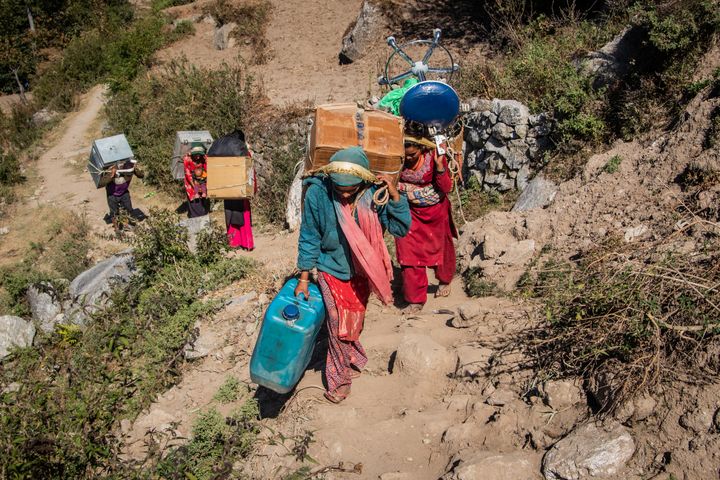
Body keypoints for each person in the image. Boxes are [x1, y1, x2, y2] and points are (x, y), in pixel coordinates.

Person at [295, 147, 410, 404]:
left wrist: (394, 195)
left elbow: (400, 228)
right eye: (340, 188)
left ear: (363, 181)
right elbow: (309, 236)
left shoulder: (372, 194)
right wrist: (304, 278)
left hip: (362, 270)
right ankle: (339, 379)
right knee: (337, 326)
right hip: (329, 268)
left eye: (350, 189)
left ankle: (353, 356)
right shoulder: (318, 193)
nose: (345, 193)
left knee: (354, 321)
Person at [394, 133, 458, 313]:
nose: (408, 158)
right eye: (404, 155)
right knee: (408, 254)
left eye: (412, 155)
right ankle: (415, 299)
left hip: (436, 213)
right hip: (409, 213)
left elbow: (445, 188)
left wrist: (439, 167)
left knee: (441, 247)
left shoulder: (435, 158)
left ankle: (444, 280)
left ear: (422, 149)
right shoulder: (396, 162)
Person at [106, 159, 144, 231]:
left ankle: (128, 224)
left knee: (129, 209)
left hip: (124, 192)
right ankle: (117, 228)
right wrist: (112, 174)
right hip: (112, 194)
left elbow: (141, 175)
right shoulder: (112, 170)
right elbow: (104, 182)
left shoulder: (131, 169)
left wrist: (136, 169)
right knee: (114, 213)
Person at [183, 145, 209, 217]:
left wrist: (204, 183)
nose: (198, 157)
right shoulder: (187, 159)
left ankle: (202, 214)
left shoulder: (204, 158)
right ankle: (195, 216)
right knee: (194, 199)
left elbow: (207, 169)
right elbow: (188, 174)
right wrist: (195, 186)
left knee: (202, 196)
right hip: (191, 182)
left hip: (202, 180)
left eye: (199, 155)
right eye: (196, 155)